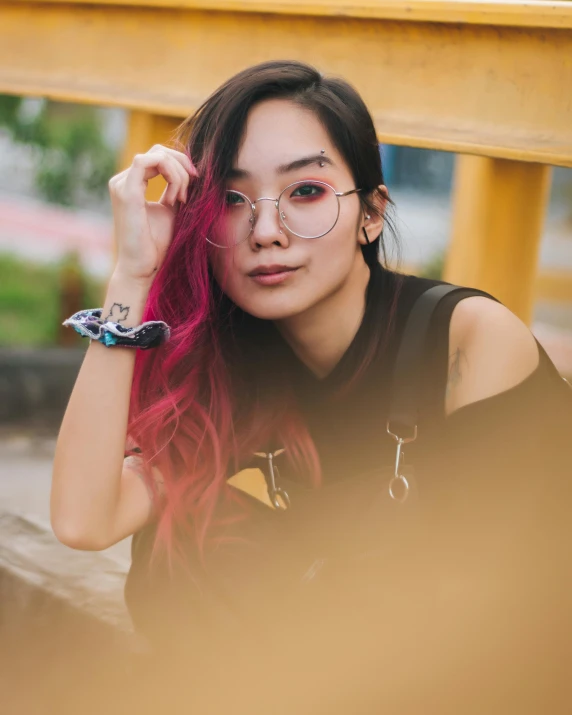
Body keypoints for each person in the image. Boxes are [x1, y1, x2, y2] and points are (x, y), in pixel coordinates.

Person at [51, 60, 572, 714]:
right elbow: (82, 518)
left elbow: (502, 616)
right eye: (233, 200)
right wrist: (131, 273)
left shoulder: (464, 343)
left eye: (306, 191)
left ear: (371, 215)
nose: (265, 230)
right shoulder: (222, 363)